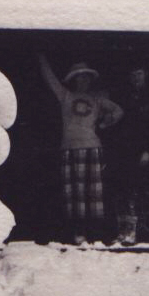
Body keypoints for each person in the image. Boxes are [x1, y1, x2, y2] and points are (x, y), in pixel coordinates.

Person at [38, 53, 123, 244]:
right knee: (74, 193)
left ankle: (95, 234)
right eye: (79, 77)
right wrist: (41, 57)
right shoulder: (65, 95)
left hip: (93, 148)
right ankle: (79, 232)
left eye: (86, 77)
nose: (82, 80)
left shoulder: (98, 99)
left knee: (94, 193)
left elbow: (118, 111)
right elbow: (49, 78)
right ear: (74, 80)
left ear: (90, 80)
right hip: (69, 149)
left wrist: (105, 123)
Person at [112, 60, 149, 243]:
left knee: (138, 192)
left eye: (139, 74)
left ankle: (136, 232)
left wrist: (148, 150)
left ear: (145, 75)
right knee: (122, 190)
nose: (136, 78)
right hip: (124, 150)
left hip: (143, 151)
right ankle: (122, 231)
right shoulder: (124, 96)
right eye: (133, 75)